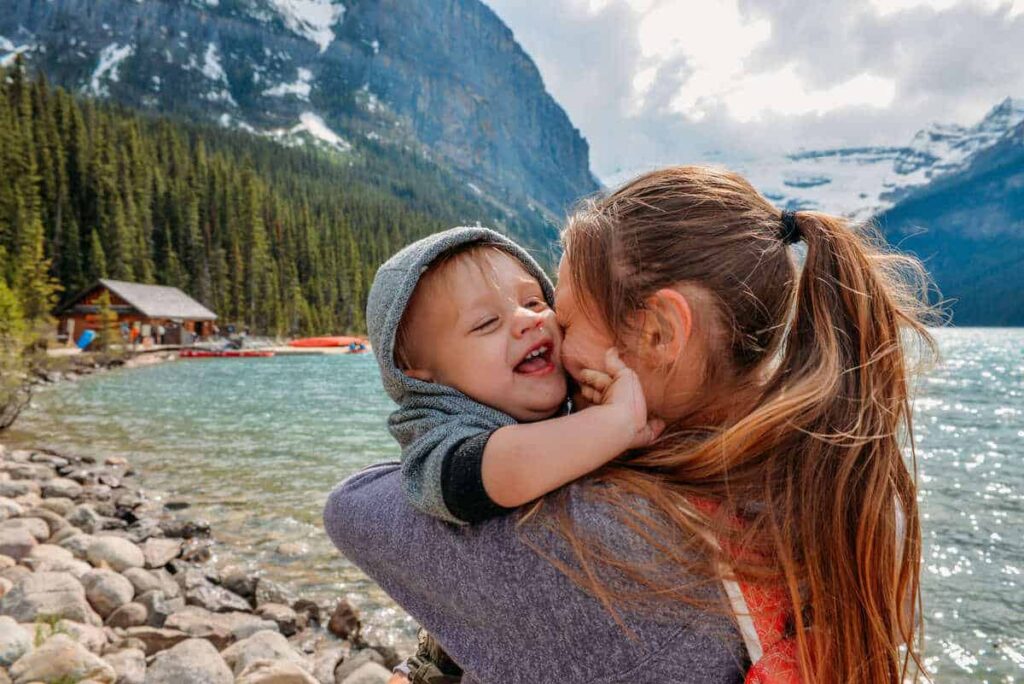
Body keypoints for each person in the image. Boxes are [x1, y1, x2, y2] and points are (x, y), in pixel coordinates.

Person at [325, 166, 931, 683]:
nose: (546, 336)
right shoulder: (831, 487)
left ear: (660, 331)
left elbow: (352, 509)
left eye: (554, 311)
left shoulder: (598, 545)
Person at [364, 226, 661, 526]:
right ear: (424, 379)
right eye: (487, 323)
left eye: (534, 302)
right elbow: (503, 469)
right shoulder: (437, 436)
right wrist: (615, 423)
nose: (527, 320)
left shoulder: (578, 395)